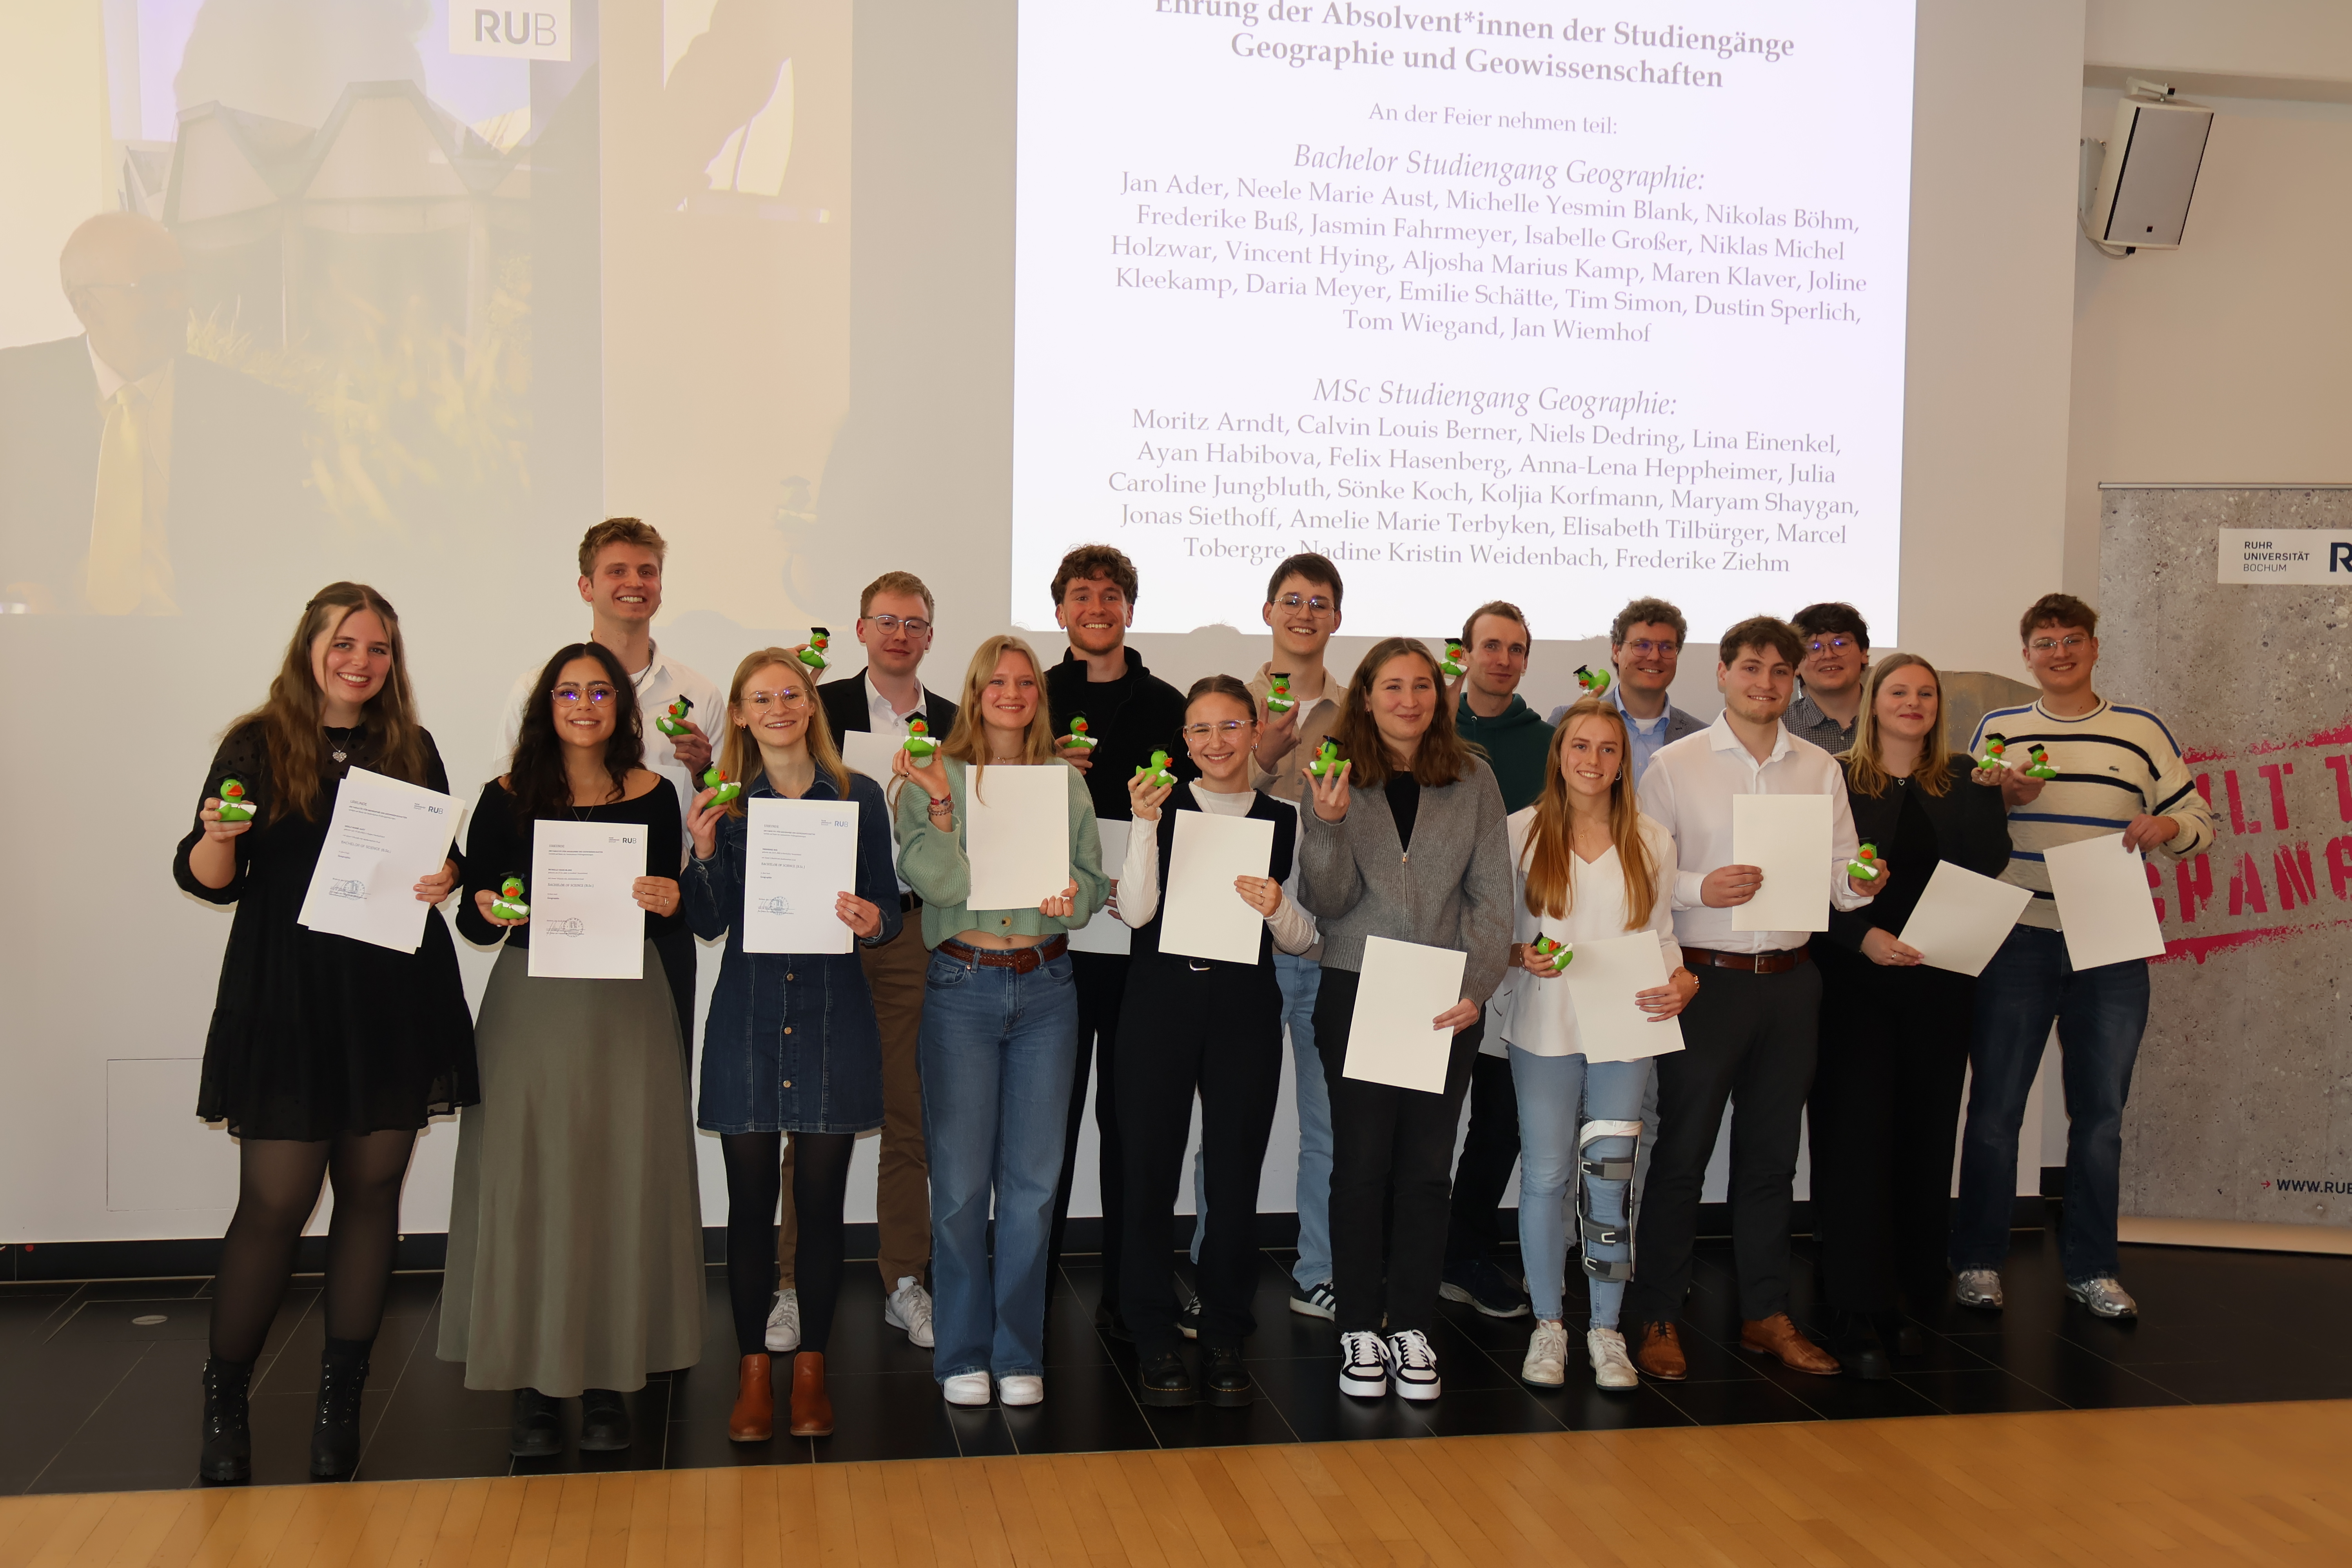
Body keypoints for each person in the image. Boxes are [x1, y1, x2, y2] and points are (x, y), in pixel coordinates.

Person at [174, 584, 475, 1483]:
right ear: (311, 646)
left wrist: (446, 875)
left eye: (378, 647)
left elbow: (445, 858)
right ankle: (226, 1397)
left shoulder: (411, 746)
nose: (361, 661)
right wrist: (217, 834)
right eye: (345, 642)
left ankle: (341, 1400)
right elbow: (209, 877)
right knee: (273, 1204)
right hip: (289, 997)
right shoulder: (257, 741)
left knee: (372, 1197)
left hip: (392, 996)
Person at [442, 642, 704, 1459]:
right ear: (545, 705)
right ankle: (532, 1384)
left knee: (619, 1179)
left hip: (628, 1007)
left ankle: (606, 1380)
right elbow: (475, 917)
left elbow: (668, 912)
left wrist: (672, 898)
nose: (585, 705)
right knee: (532, 1182)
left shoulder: (657, 796)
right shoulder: (502, 797)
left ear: (622, 707)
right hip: (532, 1010)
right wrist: (490, 905)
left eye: (600, 692)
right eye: (569, 691)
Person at [1625, 617, 1882, 1382]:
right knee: (1681, 1156)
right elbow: (1641, 876)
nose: (1765, 683)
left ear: (1793, 680)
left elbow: (1842, 877)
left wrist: (1860, 881)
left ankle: (1766, 1312)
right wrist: (1699, 887)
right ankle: (1657, 1312)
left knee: (1772, 1160)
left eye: (1779, 671)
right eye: (1750, 668)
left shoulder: (1819, 768)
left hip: (1793, 981)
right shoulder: (1675, 765)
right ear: (1723, 674)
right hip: (1708, 982)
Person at [1950, 594, 2214, 1321]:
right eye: (2045, 642)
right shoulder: (1999, 729)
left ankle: (2093, 1269)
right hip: (2017, 935)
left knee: (2100, 1118)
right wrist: (2004, 799)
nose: (2059, 653)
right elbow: (1967, 827)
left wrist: (2167, 827)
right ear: (2026, 655)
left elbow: (2199, 818)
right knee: (1995, 1110)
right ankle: (1977, 1261)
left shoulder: (2141, 731)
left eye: (2072, 639)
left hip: (2111, 937)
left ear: (2095, 648)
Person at [684, 647, 900, 1441]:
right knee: (748, 1209)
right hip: (747, 1019)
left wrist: (873, 921)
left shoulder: (859, 796)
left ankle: (811, 1371)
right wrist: (704, 853)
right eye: (760, 698)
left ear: (811, 705)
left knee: (819, 1207)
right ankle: (752, 1374)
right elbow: (707, 920)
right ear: (741, 716)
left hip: (831, 1017)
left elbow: (888, 908)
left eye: (791, 693)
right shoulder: (725, 801)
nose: (778, 707)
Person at [895, 634, 1109, 1406]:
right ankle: (961, 1352)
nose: (1012, 693)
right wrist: (943, 806)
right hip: (964, 985)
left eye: (1024, 682)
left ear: (1038, 697)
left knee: (1034, 1186)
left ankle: (1019, 1351)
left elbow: (1090, 885)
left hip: (1048, 988)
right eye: (997, 682)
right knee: (958, 1188)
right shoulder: (933, 775)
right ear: (976, 692)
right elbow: (938, 880)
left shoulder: (1065, 784)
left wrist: (1073, 897)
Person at [1297, 637, 1513, 1401]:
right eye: (1392, 686)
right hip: (1357, 988)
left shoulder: (1474, 777)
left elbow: (1494, 898)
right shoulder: (1333, 772)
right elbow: (1325, 900)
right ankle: (1360, 1323)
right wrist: (1328, 823)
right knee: (1360, 1166)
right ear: (1366, 696)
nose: (1410, 699)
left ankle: (1412, 1326)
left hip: (1444, 997)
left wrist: (1477, 985)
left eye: (1422, 685)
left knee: (1426, 1169)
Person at [768, 573, 960, 1359]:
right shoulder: (820, 707)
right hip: (828, 926)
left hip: (911, 931)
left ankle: (904, 1278)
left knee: (908, 1110)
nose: (900, 634)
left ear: (929, 636)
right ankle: (790, 1282)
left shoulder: (955, 721)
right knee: (812, 1108)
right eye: (887, 620)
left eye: (914, 623)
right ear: (860, 629)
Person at [1114, 675, 1318, 1407]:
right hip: (1159, 1003)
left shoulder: (1286, 819)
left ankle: (1226, 1328)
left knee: (1234, 1176)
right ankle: (1151, 1331)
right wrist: (1143, 825)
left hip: (1243, 1007)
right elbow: (1136, 912)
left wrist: (1278, 907)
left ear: (1257, 730)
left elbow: (1304, 938)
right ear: (1184, 740)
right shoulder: (1160, 806)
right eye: (1200, 729)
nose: (1216, 742)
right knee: (1148, 1172)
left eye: (1231, 726)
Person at [1810, 654, 2011, 1376]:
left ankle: (1912, 1299)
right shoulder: (1834, 777)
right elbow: (1809, 883)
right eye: (1899, 691)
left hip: (1939, 985)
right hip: (1854, 984)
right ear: (1873, 702)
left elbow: (1989, 863)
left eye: (1926, 693)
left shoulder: (1963, 777)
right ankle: (1853, 1304)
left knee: (1924, 1141)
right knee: (1854, 1141)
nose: (1914, 702)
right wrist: (1862, 938)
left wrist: (1991, 795)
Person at [1488, 697, 1695, 1390]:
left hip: (1625, 1029)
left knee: (1610, 1180)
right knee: (1546, 1178)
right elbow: (1495, 933)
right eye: (1581, 746)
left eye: (1609, 749)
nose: (1594, 760)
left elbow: (1662, 937)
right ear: (1560, 755)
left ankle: (1606, 1329)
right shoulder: (1519, 832)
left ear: (1623, 762)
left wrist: (1683, 980)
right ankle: (1549, 1325)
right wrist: (1519, 954)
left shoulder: (1652, 839)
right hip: (1544, 1027)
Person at [0, 212, 313, 616]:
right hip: (49, 640)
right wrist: (12, 598)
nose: (176, 302)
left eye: (180, 283)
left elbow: (286, 563)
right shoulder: (14, 393)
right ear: (86, 304)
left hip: (196, 644)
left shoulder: (252, 413)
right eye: (150, 287)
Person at [1040, 544, 1192, 1338]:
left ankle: (1131, 1296)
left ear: (1129, 609)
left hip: (1139, 944)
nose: (1096, 607)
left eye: (1110, 595)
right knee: (1047, 1124)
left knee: (1133, 1126)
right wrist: (1045, 769)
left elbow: (1190, 818)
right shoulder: (1031, 697)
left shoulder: (1168, 704)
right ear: (1059, 609)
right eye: (1080, 594)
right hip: (1052, 941)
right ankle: (1030, 1290)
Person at [494, 517, 720, 1052]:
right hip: (558, 916)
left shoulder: (700, 693)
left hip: (658, 920)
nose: (635, 582)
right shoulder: (536, 689)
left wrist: (702, 772)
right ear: (586, 586)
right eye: (617, 570)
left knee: (653, 1078)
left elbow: (720, 815)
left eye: (648, 571)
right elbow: (512, 799)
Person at [1438, 601, 1555, 1318]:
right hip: (1432, 955)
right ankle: (1401, 1256)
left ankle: (1467, 1255)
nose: (1503, 660)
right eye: (1491, 646)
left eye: (1516, 649)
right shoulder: (1430, 730)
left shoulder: (1548, 743)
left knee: (1499, 1123)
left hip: (1519, 964)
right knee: (1420, 1124)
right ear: (1465, 653)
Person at [1243, 552, 1351, 1319]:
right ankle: (1218, 1271)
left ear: (1336, 618)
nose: (1305, 613)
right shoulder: (1232, 704)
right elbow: (1204, 806)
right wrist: (1262, 757)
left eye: (1319, 602)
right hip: (1245, 943)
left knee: (1329, 1127)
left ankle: (1319, 1269)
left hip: (1328, 942)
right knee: (1235, 1123)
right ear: (1268, 611)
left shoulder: (1359, 715)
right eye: (1292, 599)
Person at [1546, 597, 1706, 783]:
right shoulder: (1567, 721)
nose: (1655, 657)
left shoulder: (1701, 738)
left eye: (1666, 647)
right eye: (1641, 645)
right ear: (1616, 652)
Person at [1787, 602, 1871, 753]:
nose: (1829, 655)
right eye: (1814, 648)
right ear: (1796, 664)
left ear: (1863, 653)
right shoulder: (1778, 728)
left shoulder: (1893, 719)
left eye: (1840, 644)